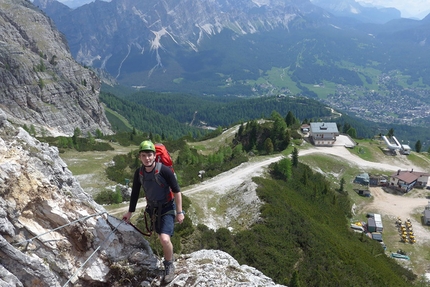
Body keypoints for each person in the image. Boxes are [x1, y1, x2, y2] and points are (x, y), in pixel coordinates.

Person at [123, 140, 184, 283]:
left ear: (155, 155)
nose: (147, 158)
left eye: (149, 155)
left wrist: (180, 212)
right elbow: (135, 193)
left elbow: (177, 191)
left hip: (168, 207)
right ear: (140, 157)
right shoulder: (139, 173)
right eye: (143, 155)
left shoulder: (164, 170)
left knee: (164, 238)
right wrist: (130, 212)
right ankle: (168, 256)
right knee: (160, 236)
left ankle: (169, 265)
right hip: (153, 210)